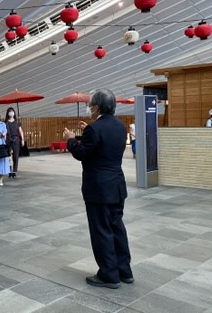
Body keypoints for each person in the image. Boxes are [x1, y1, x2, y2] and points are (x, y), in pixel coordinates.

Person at [63, 89, 133, 289]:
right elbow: (103, 144)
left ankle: (109, 274)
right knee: (117, 227)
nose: (89, 108)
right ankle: (124, 271)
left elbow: (81, 153)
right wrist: (89, 131)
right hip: (116, 185)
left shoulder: (95, 129)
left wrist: (70, 139)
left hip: (99, 188)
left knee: (101, 230)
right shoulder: (120, 126)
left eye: (91, 105)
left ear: (97, 107)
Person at [5, 107, 25, 178]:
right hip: (8, 140)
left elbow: (20, 131)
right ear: (8, 113)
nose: (11, 113)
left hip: (16, 140)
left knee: (15, 157)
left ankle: (14, 171)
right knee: (8, 157)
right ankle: (9, 171)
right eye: (10, 111)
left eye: (12, 111)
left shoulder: (17, 122)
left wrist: (22, 139)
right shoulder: (6, 123)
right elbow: (5, 133)